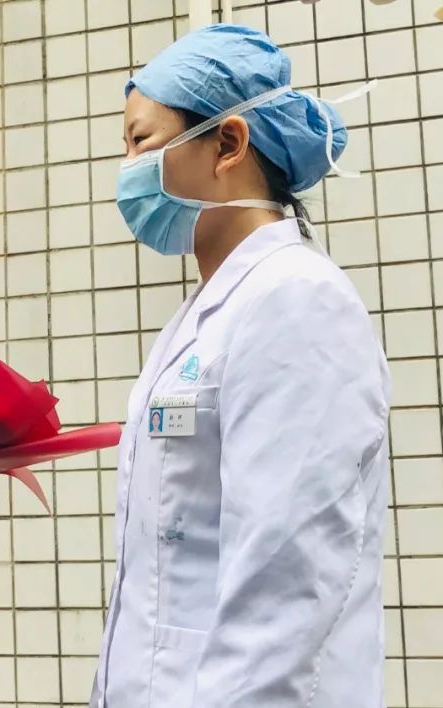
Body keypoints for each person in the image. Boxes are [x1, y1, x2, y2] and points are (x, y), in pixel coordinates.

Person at [92, 24, 391, 708]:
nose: (127, 167)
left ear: (228, 143)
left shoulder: (296, 302)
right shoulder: (210, 313)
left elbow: (286, 588)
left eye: (140, 140)